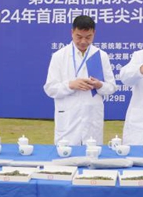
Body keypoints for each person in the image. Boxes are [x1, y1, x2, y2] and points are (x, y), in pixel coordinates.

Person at [43, 15, 117, 144]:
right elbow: (50, 89)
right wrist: (71, 85)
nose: (83, 41)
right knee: (66, 153)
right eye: (79, 37)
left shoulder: (101, 55)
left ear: (94, 33)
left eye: (88, 37)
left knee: (92, 152)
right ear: (72, 32)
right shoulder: (59, 56)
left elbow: (111, 87)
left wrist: (99, 85)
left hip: (92, 117)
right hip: (68, 118)